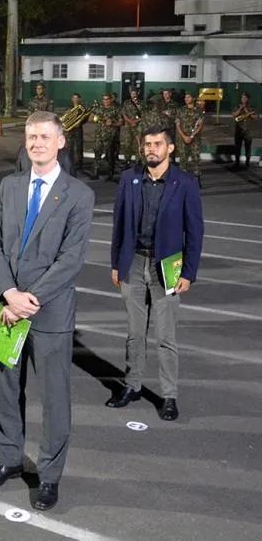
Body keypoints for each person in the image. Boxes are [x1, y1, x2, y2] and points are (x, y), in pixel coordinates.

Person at [0, 111, 95, 512]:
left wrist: (28, 300)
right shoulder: (8, 186)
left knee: (54, 397)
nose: (37, 143)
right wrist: (9, 292)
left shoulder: (78, 194)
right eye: (31, 137)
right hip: (9, 307)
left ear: (61, 142)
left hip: (48, 312)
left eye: (45, 136)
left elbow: (71, 259)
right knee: (7, 390)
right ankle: (8, 459)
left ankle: (49, 476)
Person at [107, 125, 203, 421]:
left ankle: (169, 395)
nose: (151, 148)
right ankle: (132, 385)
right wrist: (116, 264)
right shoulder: (130, 179)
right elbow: (119, 224)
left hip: (168, 265)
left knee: (165, 336)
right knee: (135, 334)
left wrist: (189, 272)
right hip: (133, 263)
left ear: (170, 149)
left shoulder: (185, 183)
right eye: (147, 144)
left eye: (157, 144)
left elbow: (195, 230)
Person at [175, 92, 204, 186]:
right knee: (183, 160)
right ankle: (183, 181)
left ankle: (197, 180)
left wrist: (191, 136)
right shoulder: (180, 110)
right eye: (185, 97)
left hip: (194, 139)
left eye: (188, 97)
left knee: (196, 159)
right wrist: (184, 136)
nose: (186, 99)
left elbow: (200, 125)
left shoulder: (199, 110)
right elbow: (178, 124)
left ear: (193, 98)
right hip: (182, 139)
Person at [231, 92, 258, 170]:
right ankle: (237, 163)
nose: (243, 99)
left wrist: (246, 111)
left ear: (248, 99)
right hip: (239, 131)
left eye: (245, 98)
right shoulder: (237, 106)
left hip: (248, 131)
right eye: (242, 98)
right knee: (237, 148)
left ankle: (247, 164)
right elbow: (233, 115)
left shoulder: (252, 107)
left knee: (248, 148)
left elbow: (256, 117)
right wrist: (240, 109)